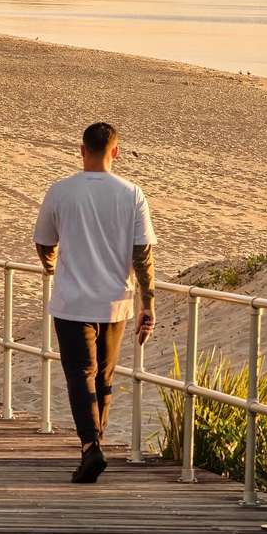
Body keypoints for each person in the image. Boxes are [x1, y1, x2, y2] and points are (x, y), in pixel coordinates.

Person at [33, 121, 155, 483]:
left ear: (81, 150)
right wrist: (147, 302)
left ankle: (90, 446)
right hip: (115, 301)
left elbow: (44, 242)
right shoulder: (132, 193)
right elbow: (142, 254)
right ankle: (94, 444)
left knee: (79, 375)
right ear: (115, 151)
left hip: (72, 300)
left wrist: (51, 267)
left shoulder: (61, 191)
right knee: (103, 377)